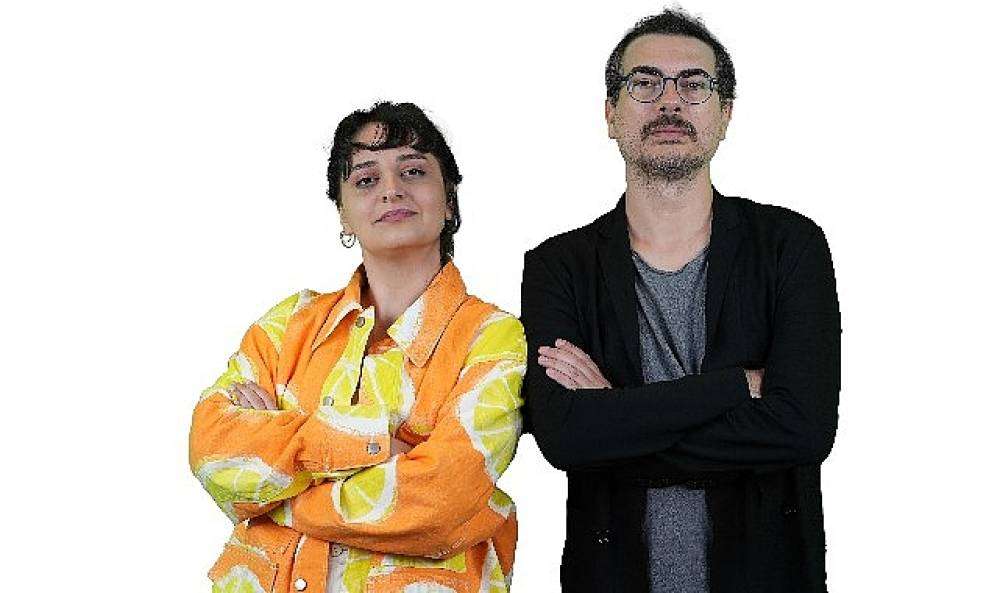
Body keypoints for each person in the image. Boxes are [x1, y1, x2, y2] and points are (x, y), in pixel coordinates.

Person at [520, 8, 841, 593]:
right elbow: (565, 437)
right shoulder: (558, 266)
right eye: (644, 83)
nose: (670, 101)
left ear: (725, 114)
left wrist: (617, 415)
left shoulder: (789, 247)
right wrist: (734, 387)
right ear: (610, 114)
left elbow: (803, 430)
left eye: (694, 84)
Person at [190, 101, 526, 593]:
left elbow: (441, 500)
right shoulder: (289, 324)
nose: (391, 189)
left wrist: (277, 493)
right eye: (366, 179)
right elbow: (213, 451)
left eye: (413, 171)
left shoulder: (491, 337)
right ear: (343, 215)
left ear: (449, 201)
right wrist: (375, 446)